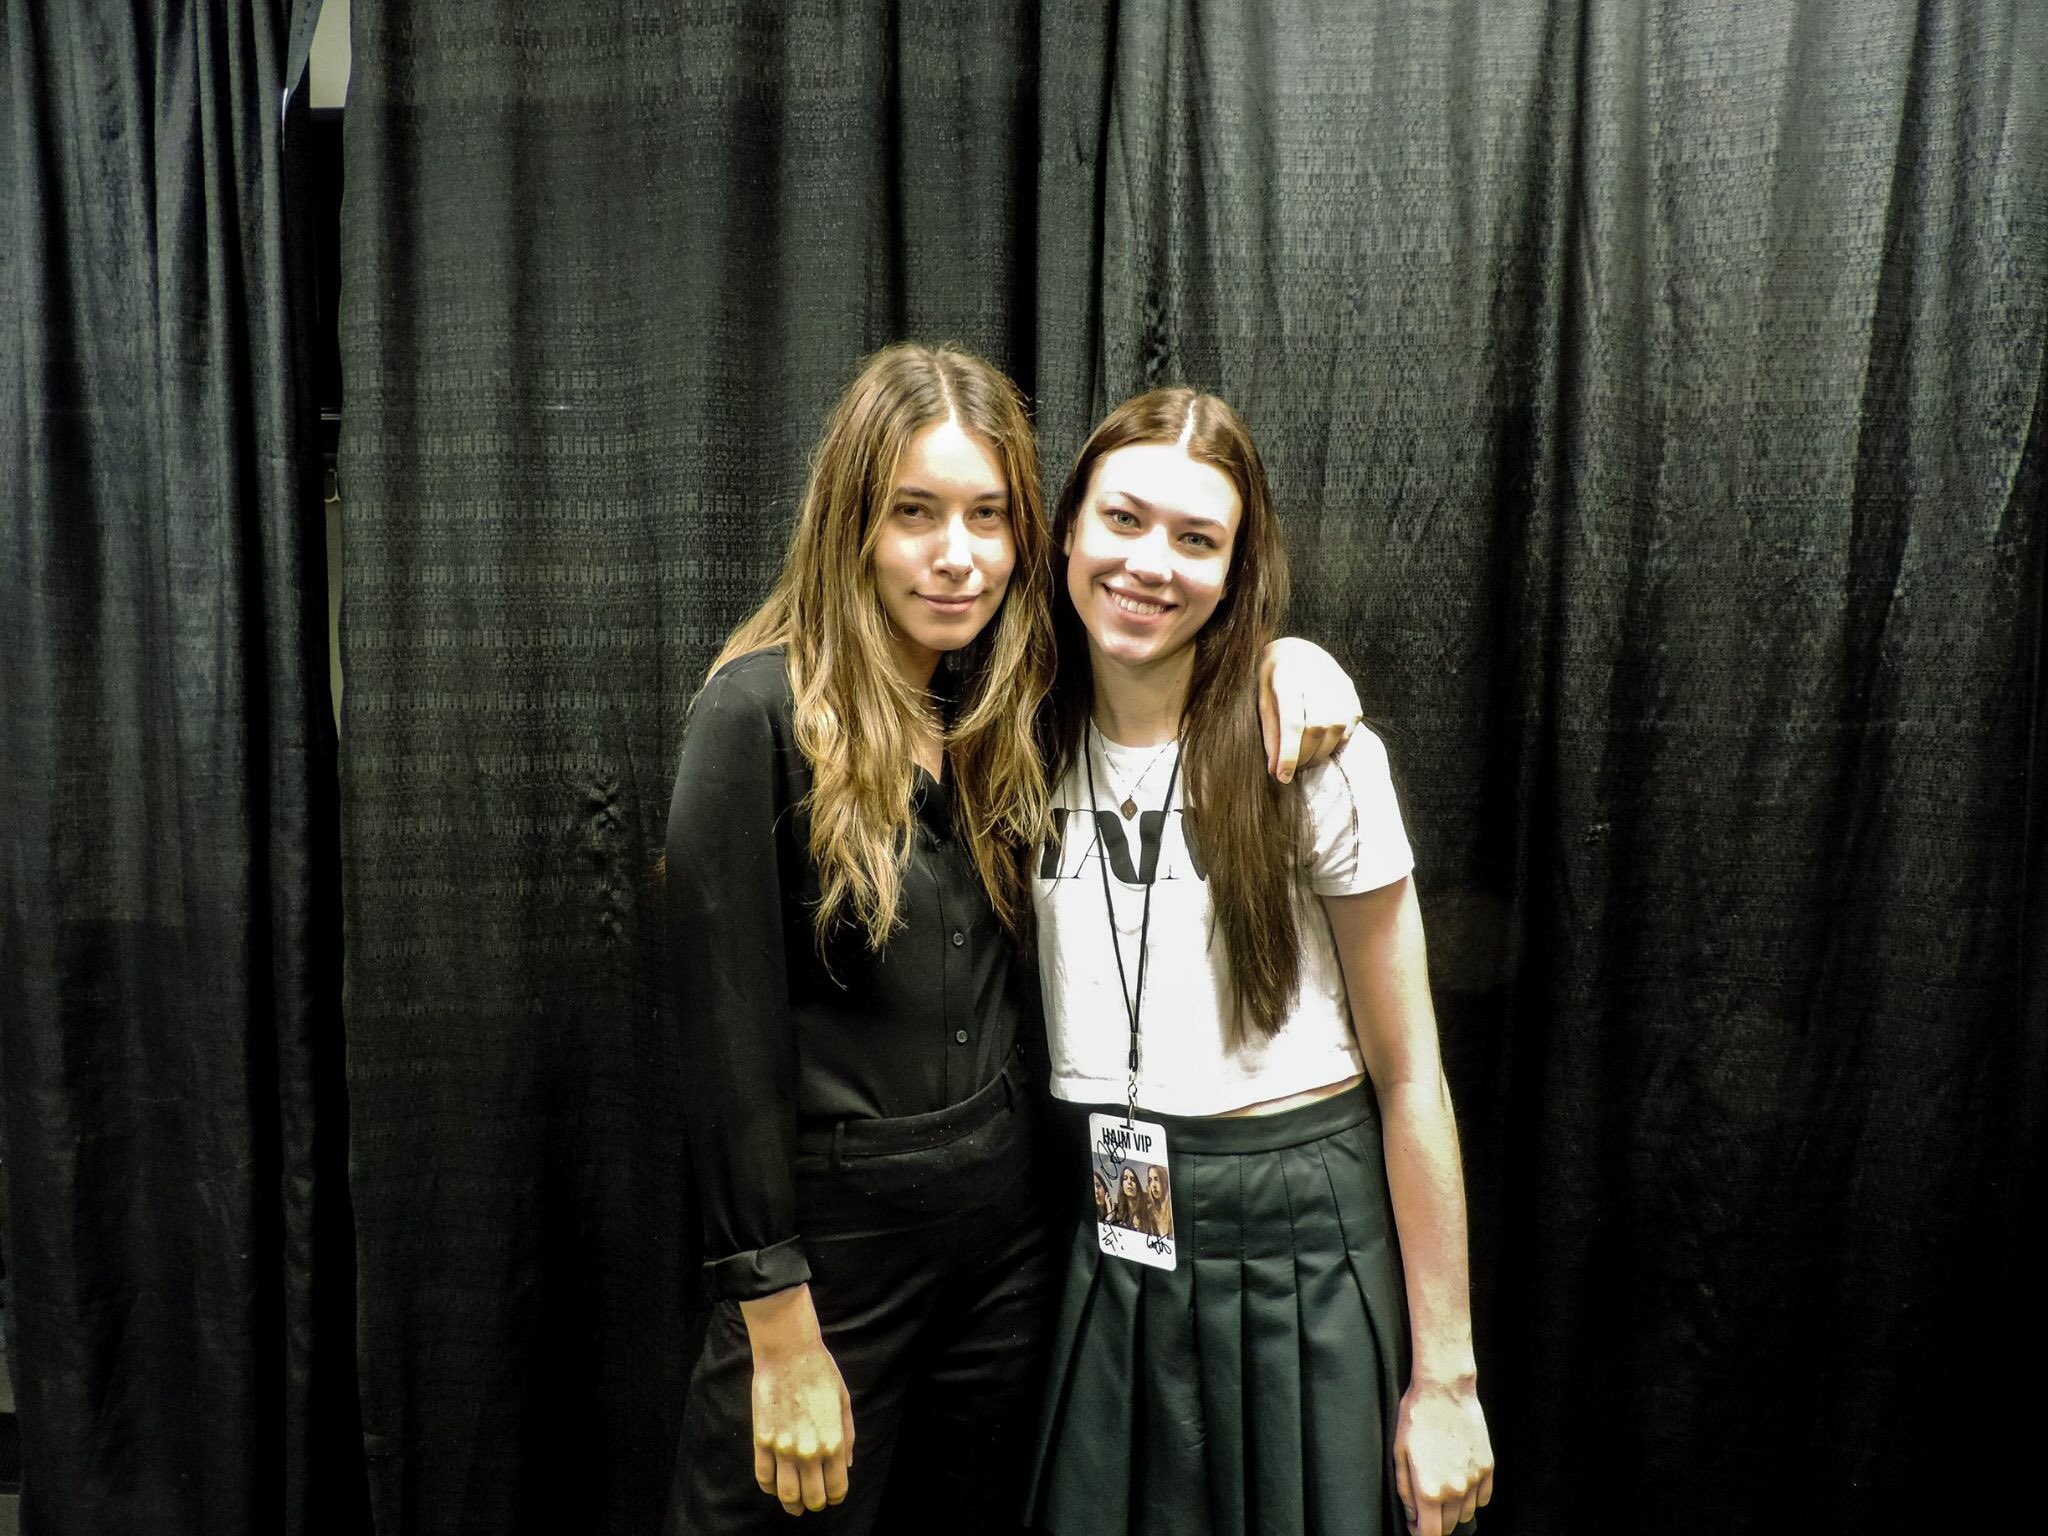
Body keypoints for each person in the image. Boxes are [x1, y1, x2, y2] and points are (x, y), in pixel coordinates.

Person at [663, 344, 1364, 1534]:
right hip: (832, 1266)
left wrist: (1297, 660)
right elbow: (723, 1044)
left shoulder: (1006, 703)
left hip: (1013, 1252)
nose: (956, 553)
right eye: (914, 514)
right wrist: (775, 1322)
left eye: (988, 515)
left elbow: (1201, 654)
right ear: (851, 525)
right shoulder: (758, 715)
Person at [1028, 388, 1496, 1536]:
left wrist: (1447, 1381)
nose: (1151, 563)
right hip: (1113, 1232)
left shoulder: (1314, 758)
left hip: (1298, 1238)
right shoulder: (1007, 735)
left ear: (1236, 572)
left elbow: (1409, 1076)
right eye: (1123, 520)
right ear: (1067, 530)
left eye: (1197, 540)